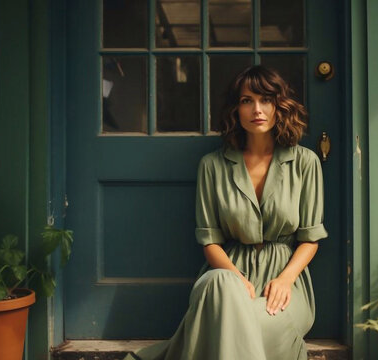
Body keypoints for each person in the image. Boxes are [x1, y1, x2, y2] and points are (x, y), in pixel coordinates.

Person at [125, 65, 328, 360]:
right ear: (236, 108)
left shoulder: (305, 162)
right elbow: (210, 241)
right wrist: (237, 279)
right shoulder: (212, 165)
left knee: (253, 326)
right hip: (227, 273)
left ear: (279, 106)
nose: (257, 109)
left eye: (266, 100)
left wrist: (285, 279)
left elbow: (310, 238)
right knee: (220, 286)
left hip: (284, 279)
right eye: (247, 100)